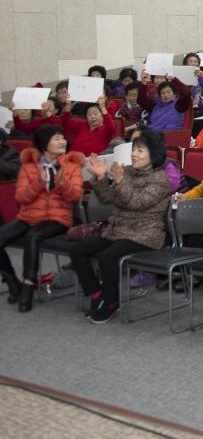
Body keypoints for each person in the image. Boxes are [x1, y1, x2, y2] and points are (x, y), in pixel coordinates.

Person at [71, 130, 172, 323]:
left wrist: (119, 181)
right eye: (134, 149)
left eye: (140, 151)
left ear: (154, 155)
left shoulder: (160, 179)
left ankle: (111, 302)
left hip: (145, 234)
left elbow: (136, 202)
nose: (134, 154)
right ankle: (96, 295)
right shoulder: (127, 172)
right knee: (78, 250)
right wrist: (101, 179)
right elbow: (106, 198)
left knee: (107, 257)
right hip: (118, 231)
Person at [0, 125, 84, 312]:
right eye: (56, 138)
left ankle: (28, 287)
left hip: (58, 217)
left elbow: (74, 197)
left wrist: (61, 182)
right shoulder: (29, 167)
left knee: (33, 237)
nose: (62, 141)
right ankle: (12, 282)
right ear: (45, 144)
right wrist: (38, 183)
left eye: (62, 137)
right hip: (29, 216)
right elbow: (21, 198)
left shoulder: (71, 166)